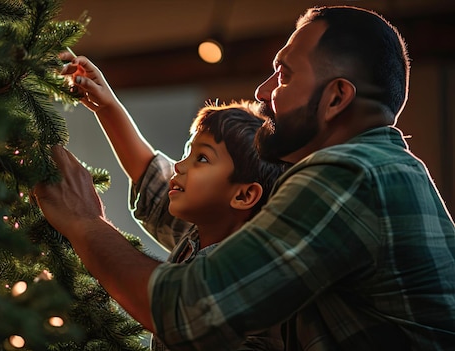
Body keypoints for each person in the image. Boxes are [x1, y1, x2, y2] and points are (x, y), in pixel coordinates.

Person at [34, 5, 455, 351]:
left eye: (285, 75)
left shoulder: (352, 176)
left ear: (336, 98)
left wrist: (85, 222)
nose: (263, 91)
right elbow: (177, 205)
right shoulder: (364, 173)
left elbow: (191, 308)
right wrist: (108, 108)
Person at [59, 53, 287, 350]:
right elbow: (147, 171)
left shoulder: (245, 274)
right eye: (187, 152)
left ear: (244, 195)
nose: (179, 165)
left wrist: (85, 221)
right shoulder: (197, 234)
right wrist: (107, 106)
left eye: (202, 158)